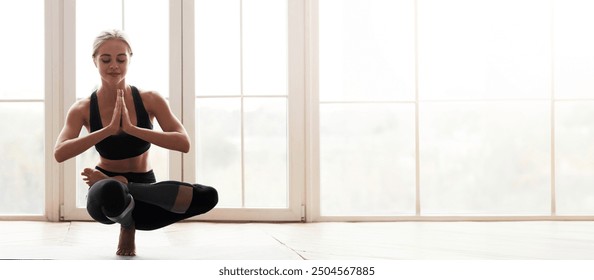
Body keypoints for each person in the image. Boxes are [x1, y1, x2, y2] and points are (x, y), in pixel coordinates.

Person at [54, 29, 217, 256]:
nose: (114, 65)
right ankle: (125, 216)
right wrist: (108, 130)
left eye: (121, 59)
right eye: (106, 59)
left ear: (130, 58)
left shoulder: (150, 99)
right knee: (111, 189)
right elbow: (60, 152)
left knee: (208, 196)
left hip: (146, 188)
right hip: (105, 192)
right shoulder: (82, 108)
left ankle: (129, 200)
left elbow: (183, 142)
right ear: (94, 61)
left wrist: (132, 129)